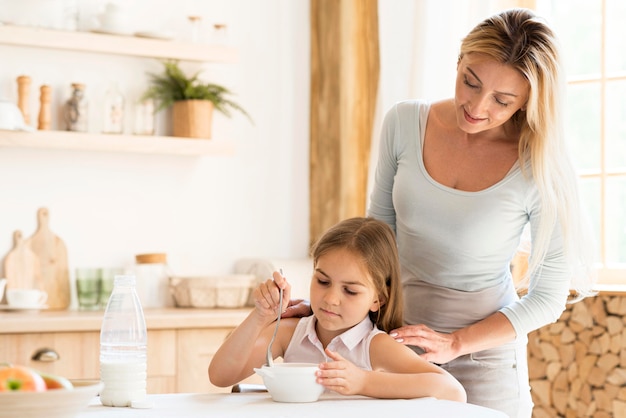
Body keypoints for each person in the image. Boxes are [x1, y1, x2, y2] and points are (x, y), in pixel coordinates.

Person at [362, 7, 596, 418]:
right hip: (394, 344)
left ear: (527, 103)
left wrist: (455, 343)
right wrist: (329, 301)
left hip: (484, 362)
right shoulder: (403, 122)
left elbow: (547, 297)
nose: (476, 105)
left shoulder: (538, 166)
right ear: (458, 61)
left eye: (502, 101)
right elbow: (376, 237)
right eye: (470, 81)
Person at [208, 217, 466, 402]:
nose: (331, 299)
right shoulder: (290, 334)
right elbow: (221, 376)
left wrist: (364, 382)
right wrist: (260, 316)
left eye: (350, 290)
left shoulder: (374, 346)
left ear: (378, 300)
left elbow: (452, 390)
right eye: (322, 281)